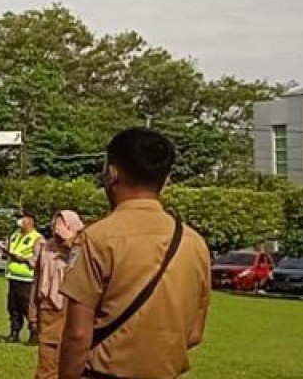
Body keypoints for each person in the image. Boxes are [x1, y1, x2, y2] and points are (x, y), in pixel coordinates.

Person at [58, 128, 212, 379]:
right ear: (167, 179)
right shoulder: (193, 242)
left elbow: (77, 335)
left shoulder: (96, 238)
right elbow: (194, 333)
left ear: (112, 173)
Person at [32, 210, 84, 379]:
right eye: (55, 224)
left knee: (73, 361)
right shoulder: (45, 248)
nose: (57, 228)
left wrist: (69, 241)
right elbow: (37, 279)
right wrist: (33, 311)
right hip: (49, 310)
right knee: (47, 363)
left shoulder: (82, 248)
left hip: (75, 310)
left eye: (62, 224)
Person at [6, 210, 44, 343]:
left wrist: (23, 259)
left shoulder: (37, 238)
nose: (21, 221)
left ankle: (34, 334)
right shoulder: (15, 235)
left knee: (27, 307)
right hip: (13, 276)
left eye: (23, 218)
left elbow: (39, 259)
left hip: (27, 279)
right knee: (13, 307)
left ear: (31, 221)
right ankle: (14, 332)